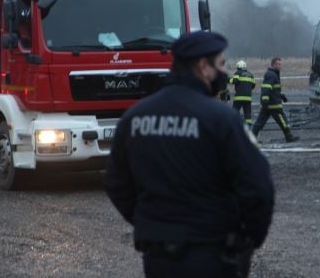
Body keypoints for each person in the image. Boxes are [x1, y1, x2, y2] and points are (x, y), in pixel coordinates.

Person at [104, 31, 275, 278]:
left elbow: (115, 182)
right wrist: (249, 239)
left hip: (158, 258)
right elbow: (258, 187)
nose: (225, 72)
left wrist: (149, 222)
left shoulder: (134, 118)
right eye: (221, 64)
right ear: (204, 66)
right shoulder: (221, 119)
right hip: (212, 254)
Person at [252, 57, 300, 143]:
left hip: (269, 104)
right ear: (273, 65)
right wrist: (265, 100)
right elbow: (266, 88)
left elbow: (274, 90)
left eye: (281, 64)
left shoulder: (274, 74)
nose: (280, 66)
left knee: (259, 123)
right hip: (273, 105)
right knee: (283, 121)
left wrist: (281, 96)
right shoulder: (271, 75)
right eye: (279, 64)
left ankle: (251, 139)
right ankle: (289, 137)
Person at [229, 60, 256, 128]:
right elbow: (253, 85)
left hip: (239, 97)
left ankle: (235, 125)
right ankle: (248, 127)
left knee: (235, 111)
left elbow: (234, 81)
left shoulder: (238, 73)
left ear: (238, 67)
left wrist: (228, 80)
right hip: (248, 98)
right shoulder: (250, 75)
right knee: (247, 113)